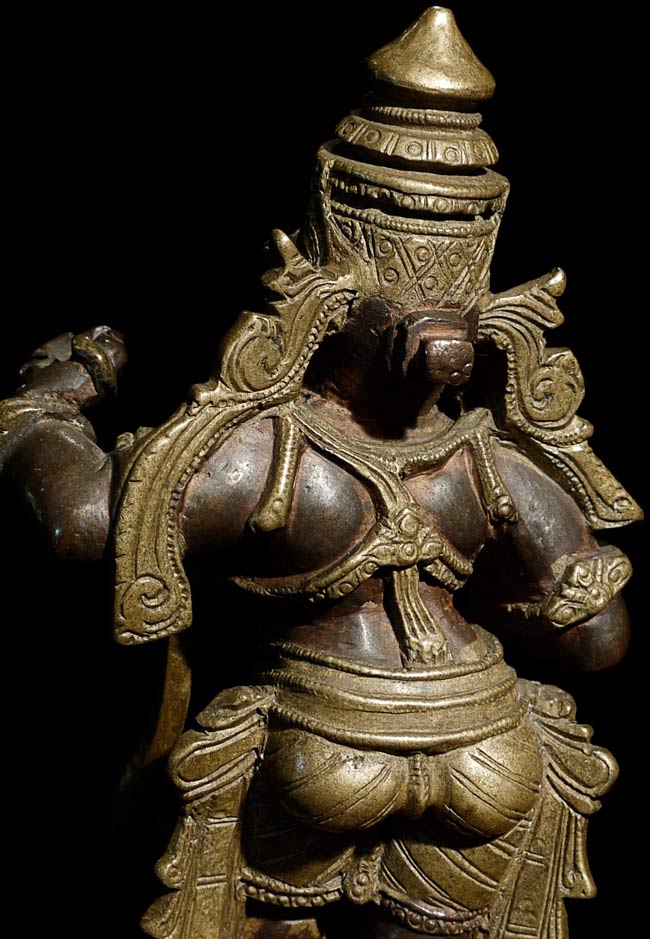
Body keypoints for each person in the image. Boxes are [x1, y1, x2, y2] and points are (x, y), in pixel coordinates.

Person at [0, 9, 640, 939]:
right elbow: (600, 641)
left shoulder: (275, 453)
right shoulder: (490, 461)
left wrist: (41, 412)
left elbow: (84, 523)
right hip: (489, 753)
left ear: (322, 287)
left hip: (325, 751)